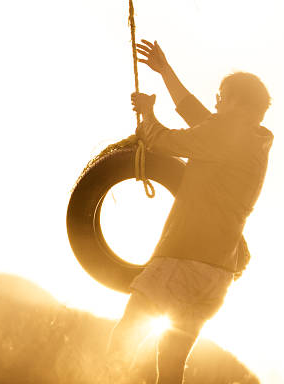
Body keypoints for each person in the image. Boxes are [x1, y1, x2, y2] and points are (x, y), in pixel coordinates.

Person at [107, 40, 274, 383]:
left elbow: (164, 140)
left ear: (238, 104)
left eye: (222, 96)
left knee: (123, 341)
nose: (216, 102)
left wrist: (148, 114)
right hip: (216, 276)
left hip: (184, 260)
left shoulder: (227, 132)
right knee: (170, 363)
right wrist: (165, 70)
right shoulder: (252, 141)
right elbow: (195, 113)